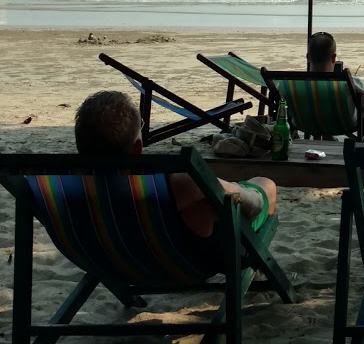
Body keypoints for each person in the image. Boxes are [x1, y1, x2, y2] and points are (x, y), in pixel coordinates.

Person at [74, 89, 279, 239]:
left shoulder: (58, 190)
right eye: (142, 127)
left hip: (110, 259)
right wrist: (239, 188)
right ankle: (256, 269)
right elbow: (246, 201)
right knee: (265, 184)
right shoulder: (177, 185)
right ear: (138, 147)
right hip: (188, 264)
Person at [306, 31, 364, 141]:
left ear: (308, 57)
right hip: (345, 124)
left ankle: (328, 138)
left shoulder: (290, 84)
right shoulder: (351, 83)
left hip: (309, 124)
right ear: (334, 58)